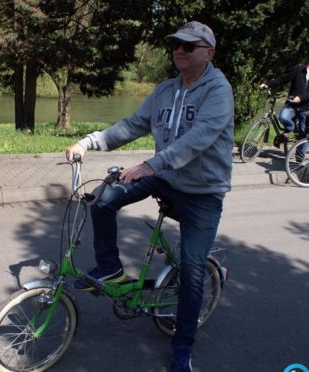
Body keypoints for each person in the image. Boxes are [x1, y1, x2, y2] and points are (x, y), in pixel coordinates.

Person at [65, 21, 233, 372]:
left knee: (191, 272)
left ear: (209, 52)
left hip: (203, 193)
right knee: (103, 197)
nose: (179, 50)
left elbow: (198, 139)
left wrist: (151, 164)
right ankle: (110, 269)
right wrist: (88, 142)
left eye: (189, 46)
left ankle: (183, 347)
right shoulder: (165, 90)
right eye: (175, 44)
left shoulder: (218, 90)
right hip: (165, 178)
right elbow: (132, 125)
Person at [260, 52, 309, 141]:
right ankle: (291, 128)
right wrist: (268, 84)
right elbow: (282, 78)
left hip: (306, 108)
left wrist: (301, 98)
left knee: (303, 134)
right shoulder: (299, 69)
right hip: (292, 104)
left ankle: (300, 155)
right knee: (283, 117)